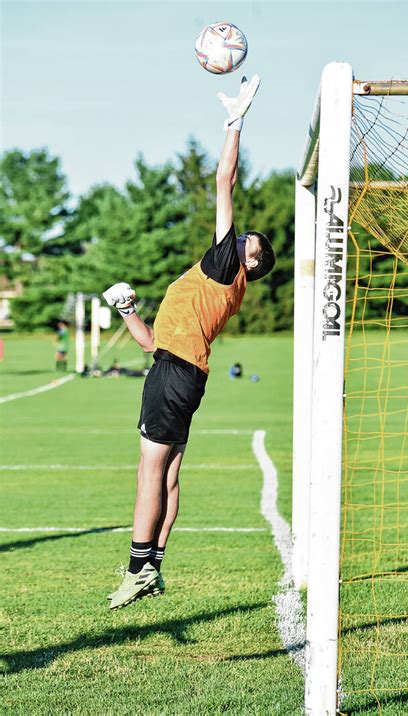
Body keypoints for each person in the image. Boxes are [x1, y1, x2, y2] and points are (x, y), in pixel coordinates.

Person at [103, 75, 275, 610]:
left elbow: (224, 181)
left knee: (149, 471)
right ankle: (152, 564)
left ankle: (137, 569)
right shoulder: (218, 281)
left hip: (176, 376)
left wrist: (235, 121)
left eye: (248, 242)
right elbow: (154, 343)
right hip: (177, 370)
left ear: (248, 262)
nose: (241, 235)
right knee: (169, 472)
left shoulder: (227, 267)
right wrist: (128, 311)